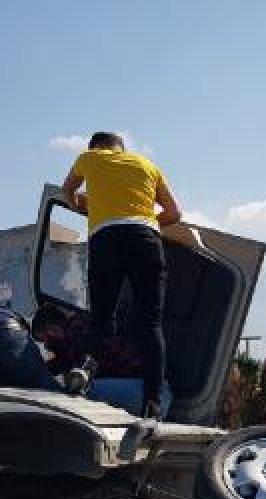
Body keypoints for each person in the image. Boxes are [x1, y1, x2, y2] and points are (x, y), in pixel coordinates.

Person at [62, 131, 181, 419]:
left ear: (97, 147)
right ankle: (152, 403)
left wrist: (82, 205)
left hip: (106, 239)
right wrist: (149, 220)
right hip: (146, 239)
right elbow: (174, 213)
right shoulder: (147, 165)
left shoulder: (89, 158)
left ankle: (85, 370)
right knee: (151, 323)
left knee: (101, 316)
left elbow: (67, 192)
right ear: (122, 148)